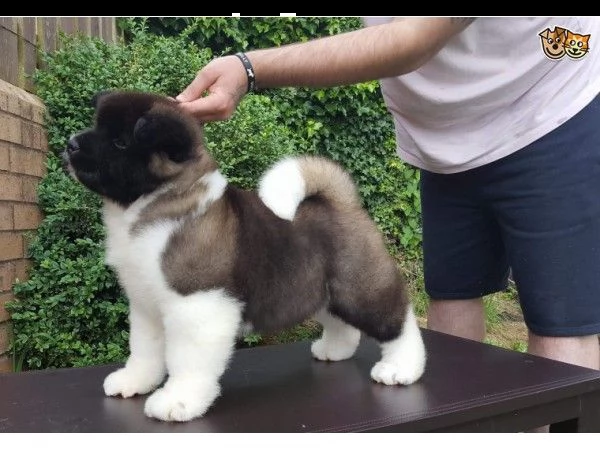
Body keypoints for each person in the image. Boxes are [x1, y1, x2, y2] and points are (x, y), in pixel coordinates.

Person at [176, 17, 600, 373]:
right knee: (452, 292)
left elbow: (411, 39)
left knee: (560, 323)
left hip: (548, 106)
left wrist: (248, 68)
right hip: (448, 138)